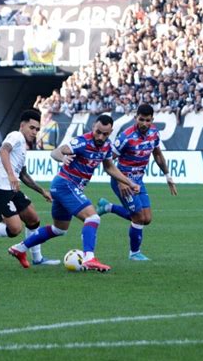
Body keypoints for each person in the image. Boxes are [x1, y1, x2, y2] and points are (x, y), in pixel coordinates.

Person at [8, 114, 140, 272]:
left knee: (59, 229)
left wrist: (129, 182)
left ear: (110, 132)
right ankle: (89, 258)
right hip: (65, 184)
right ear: (93, 127)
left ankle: (19, 248)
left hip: (64, 187)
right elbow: (56, 152)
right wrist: (62, 158)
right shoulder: (82, 141)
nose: (100, 136)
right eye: (98, 131)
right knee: (93, 217)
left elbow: (109, 167)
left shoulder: (106, 146)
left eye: (105, 134)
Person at [0, 109, 60, 266]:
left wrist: (42, 191)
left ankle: (37, 258)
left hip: (12, 189)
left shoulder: (23, 146)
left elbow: (24, 175)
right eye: (32, 128)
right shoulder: (16, 136)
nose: (34, 132)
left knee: (33, 219)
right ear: (22, 125)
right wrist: (11, 175)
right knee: (15, 229)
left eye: (37, 129)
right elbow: (3, 150)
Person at [96, 104, 178, 261]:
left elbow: (158, 155)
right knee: (138, 217)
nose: (144, 124)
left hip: (138, 181)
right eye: (141, 119)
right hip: (123, 182)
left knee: (147, 219)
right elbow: (108, 162)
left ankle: (108, 207)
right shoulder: (125, 137)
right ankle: (134, 253)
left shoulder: (154, 133)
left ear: (152, 120)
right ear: (136, 118)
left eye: (148, 120)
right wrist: (121, 182)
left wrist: (168, 176)